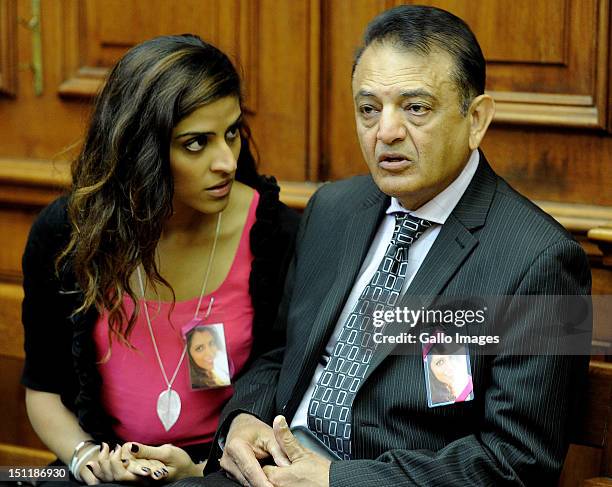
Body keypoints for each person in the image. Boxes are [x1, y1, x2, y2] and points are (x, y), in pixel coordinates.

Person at [195, 5, 591, 487]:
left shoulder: (540, 261)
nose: (385, 132)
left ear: (477, 119)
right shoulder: (332, 210)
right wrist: (243, 419)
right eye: (368, 109)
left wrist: (339, 480)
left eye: (416, 107)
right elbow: (280, 352)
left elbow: (516, 461)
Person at [20, 34, 299, 485]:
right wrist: (87, 458)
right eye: (195, 144)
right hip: (105, 464)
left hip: (222, 472)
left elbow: (288, 392)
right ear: (138, 151)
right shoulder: (65, 236)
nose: (226, 161)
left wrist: (201, 471)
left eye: (231, 133)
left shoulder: (274, 235)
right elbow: (44, 393)